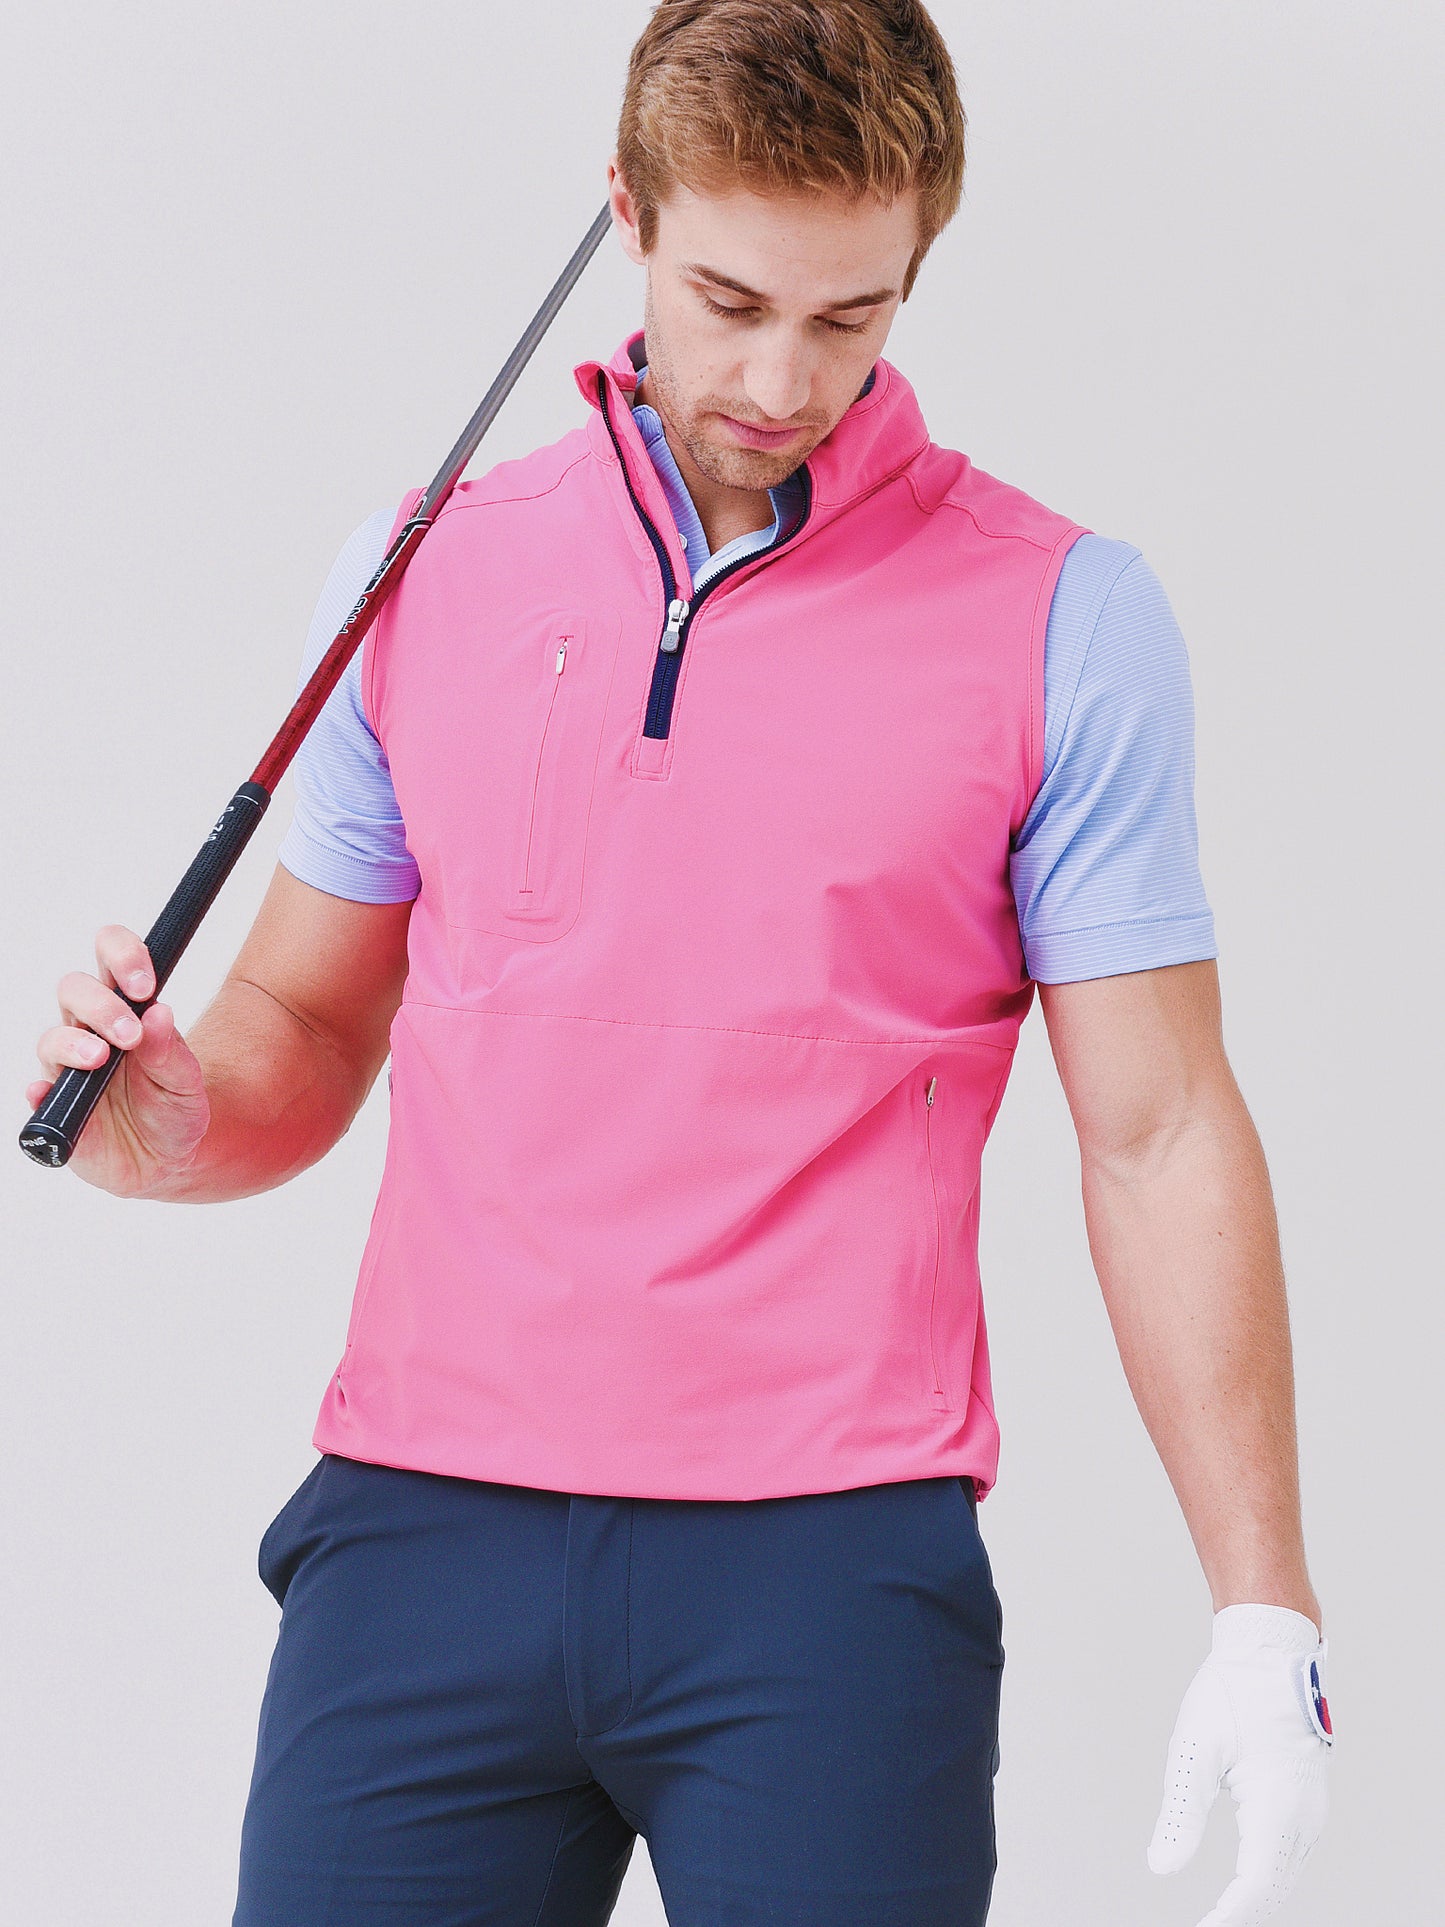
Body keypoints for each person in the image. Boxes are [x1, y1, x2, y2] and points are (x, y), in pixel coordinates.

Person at [26, 3, 1333, 1922]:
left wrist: (1260, 1607)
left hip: (825, 1570)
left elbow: (1156, 1132)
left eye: (849, 316)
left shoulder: (1064, 616)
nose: (780, 378)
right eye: (727, 301)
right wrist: (169, 1126)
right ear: (626, 215)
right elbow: (300, 1023)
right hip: (419, 1532)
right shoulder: (421, 569)